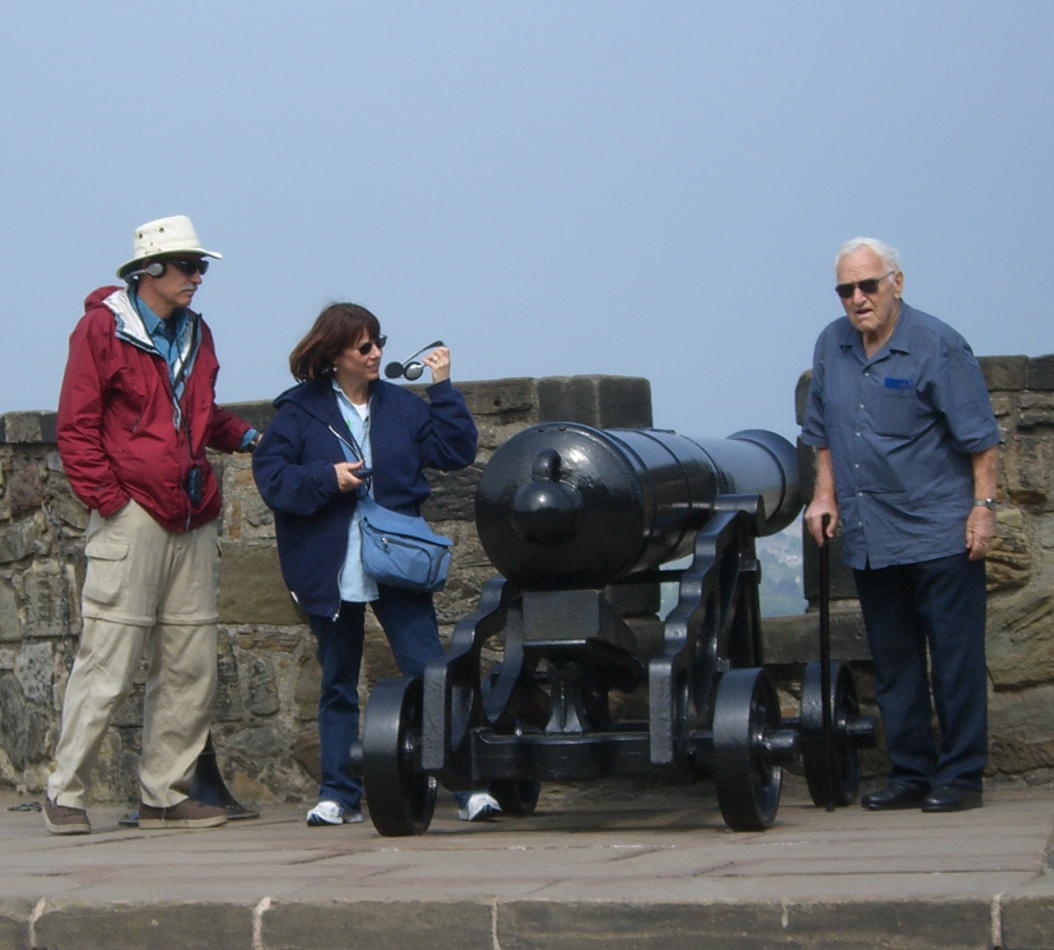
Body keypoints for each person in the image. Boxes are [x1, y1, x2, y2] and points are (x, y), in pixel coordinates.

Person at [44, 215, 259, 835]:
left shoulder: (196, 332)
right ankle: (66, 789)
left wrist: (247, 437)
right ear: (150, 271)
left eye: (201, 268)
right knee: (108, 656)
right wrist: (108, 501)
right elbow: (77, 425)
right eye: (190, 267)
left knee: (190, 660)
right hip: (133, 509)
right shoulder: (100, 329)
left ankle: (165, 792)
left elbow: (198, 414)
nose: (198, 278)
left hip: (190, 509)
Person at [252, 303, 501, 826]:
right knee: (337, 681)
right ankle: (338, 795)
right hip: (331, 564)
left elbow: (456, 450)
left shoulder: (402, 408)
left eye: (379, 342)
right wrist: (328, 477)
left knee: (430, 671)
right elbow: (273, 479)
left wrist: (442, 388)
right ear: (334, 353)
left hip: (397, 559)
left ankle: (469, 788)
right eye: (364, 347)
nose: (377, 354)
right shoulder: (298, 412)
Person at [801, 237, 999, 813]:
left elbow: (982, 440)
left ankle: (961, 777)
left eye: (868, 285)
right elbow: (822, 434)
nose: (858, 299)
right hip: (871, 530)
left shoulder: (937, 345)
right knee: (894, 662)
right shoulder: (831, 345)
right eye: (846, 290)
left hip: (939, 526)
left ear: (897, 283)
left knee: (954, 658)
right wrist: (823, 496)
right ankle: (910, 772)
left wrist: (982, 511)